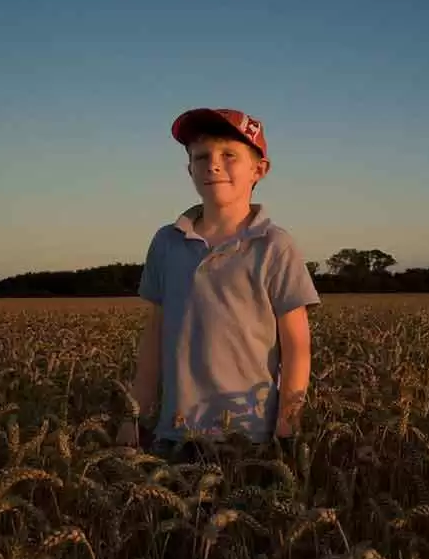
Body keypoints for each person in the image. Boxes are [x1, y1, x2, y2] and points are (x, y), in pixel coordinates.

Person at [115, 108, 320, 463]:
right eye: (201, 156)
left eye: (229, 155)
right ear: (189, 169)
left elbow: (297, 346)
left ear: (260, 169)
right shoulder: (167, 242)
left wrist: (288, 426)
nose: (213, 164)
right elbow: (154, 338)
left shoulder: (274, 245)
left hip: (248, 436)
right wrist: (135, 415)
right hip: (175, 433)